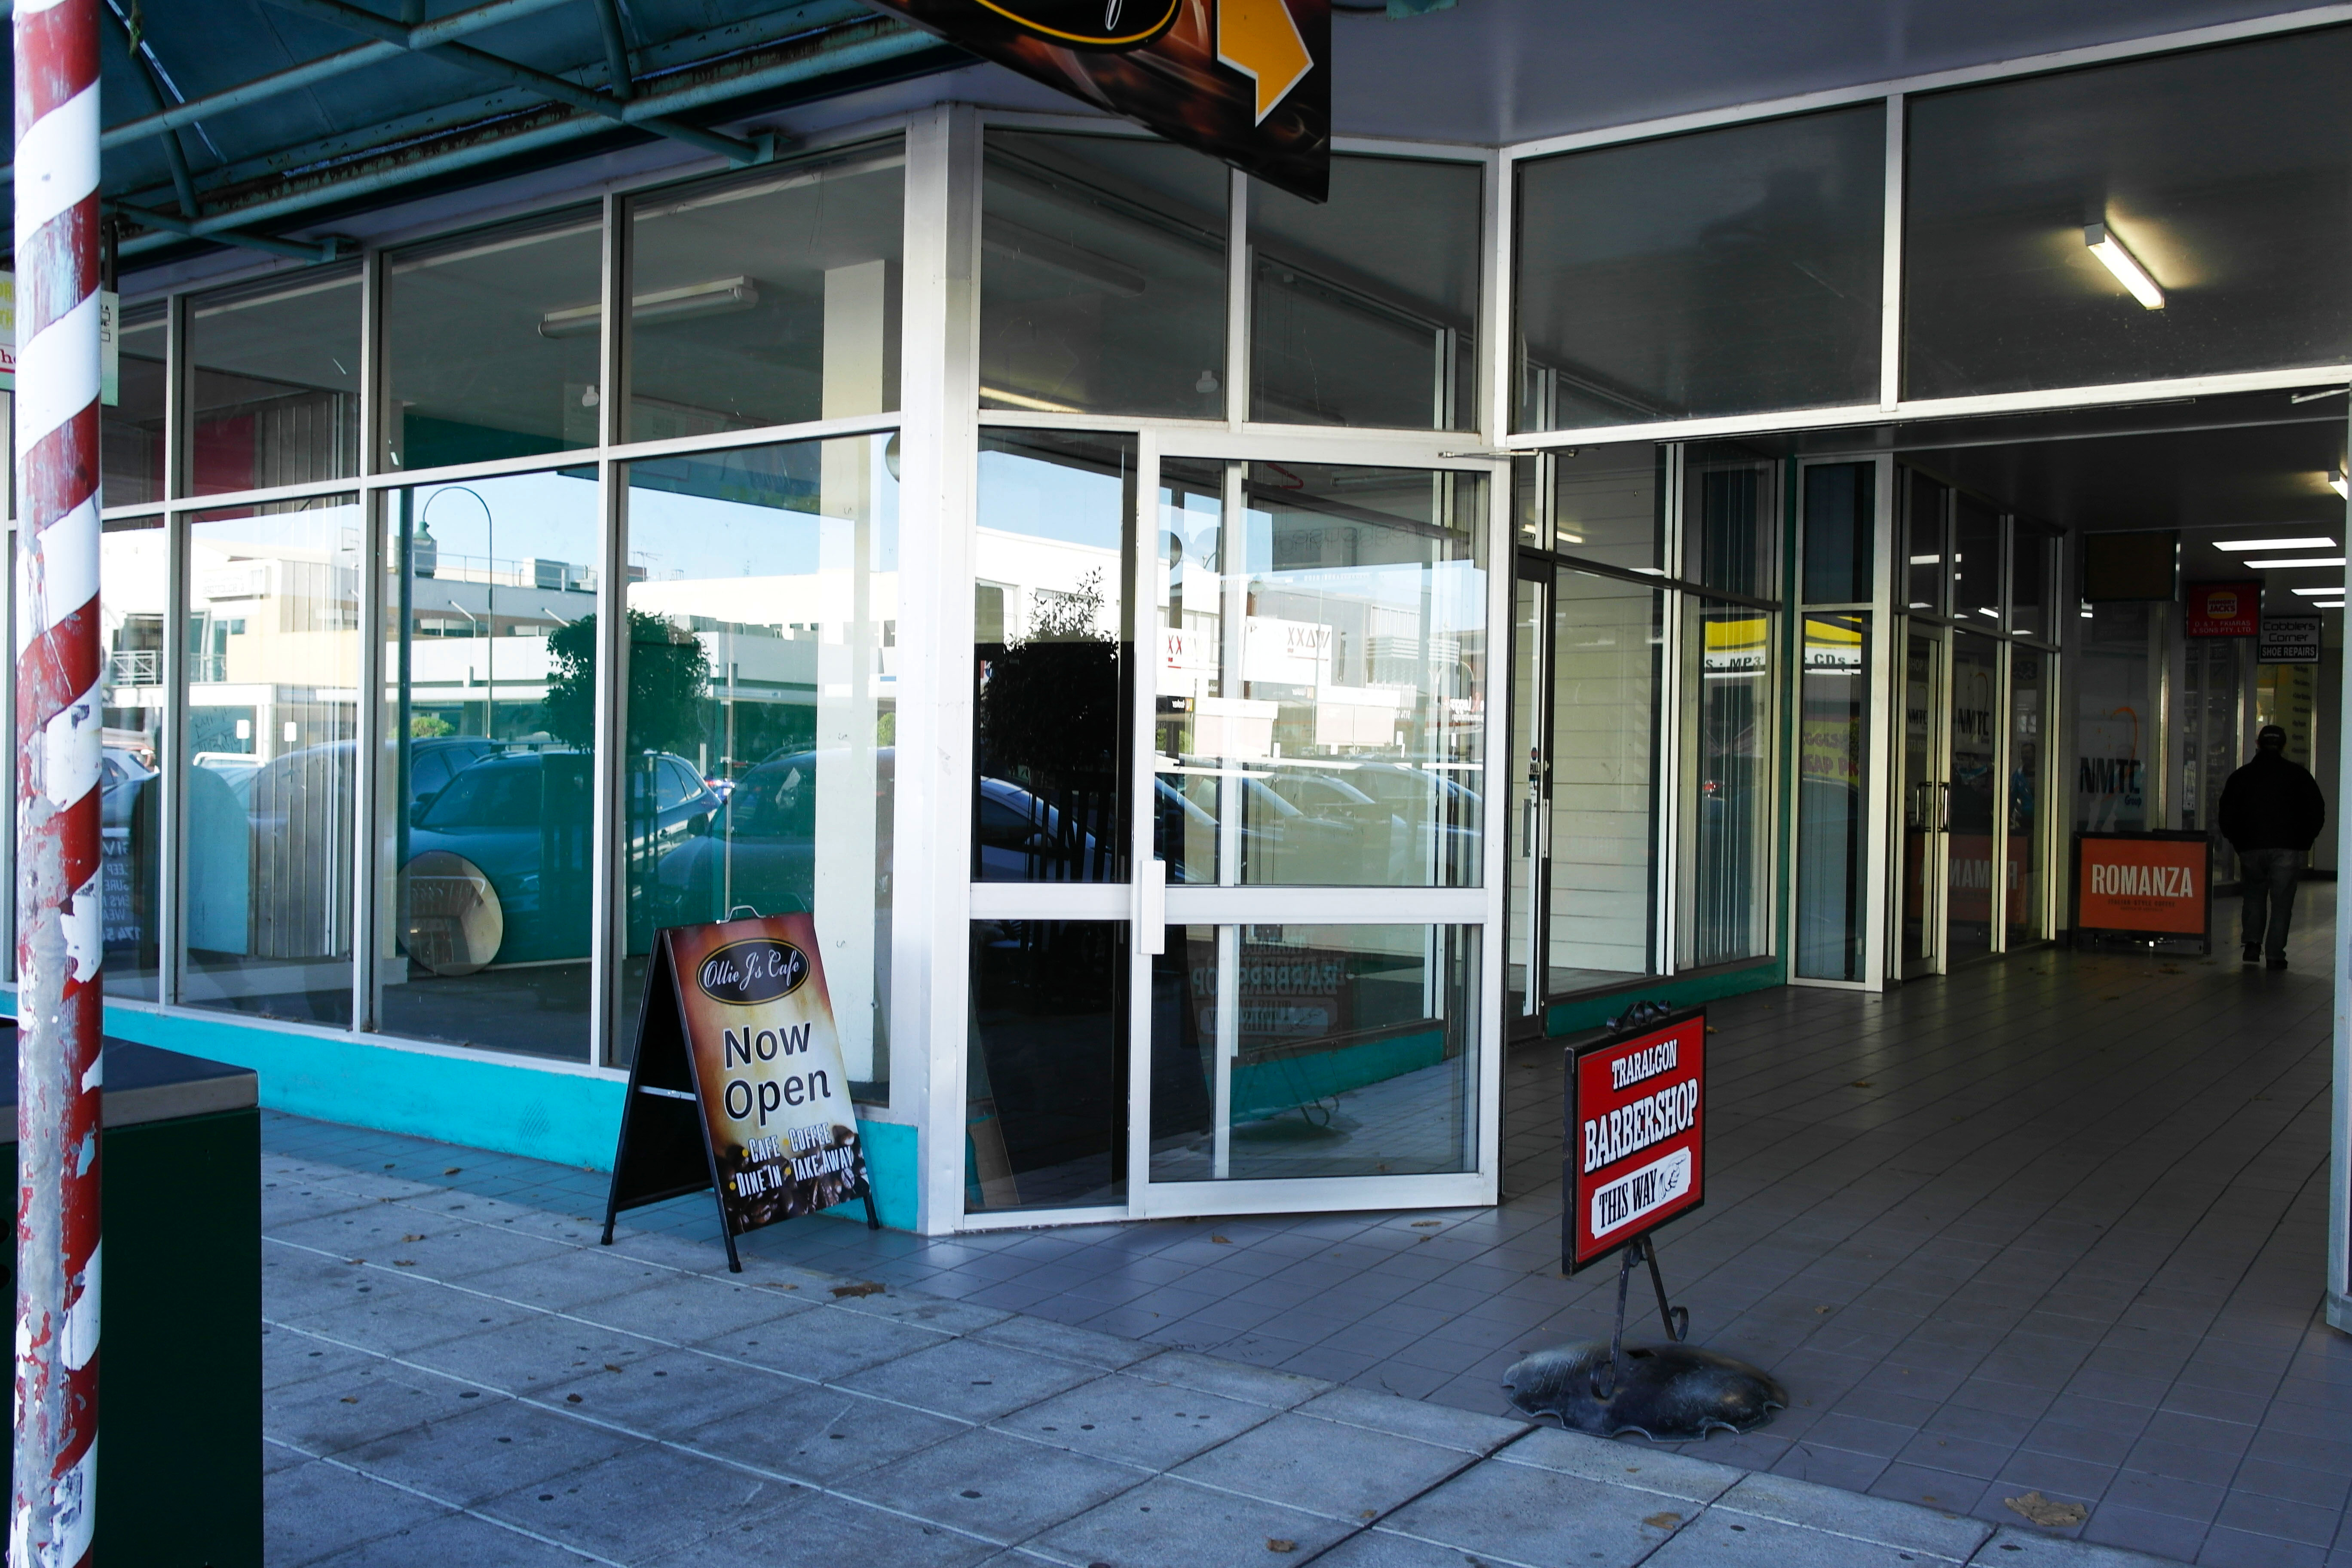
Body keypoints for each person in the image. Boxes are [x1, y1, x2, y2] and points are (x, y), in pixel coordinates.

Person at [2217, 724, 2326, 970]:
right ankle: (2276, 954)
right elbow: (2316, 811)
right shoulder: (2298, 776)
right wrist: (2304, 842)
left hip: (2251, 847)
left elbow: (2226, 813)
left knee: (2254, 895)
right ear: (2284, 746)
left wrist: (2238, 841)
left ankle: (2252, 944)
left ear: (2258, 744)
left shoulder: (2242, 776)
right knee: (2282, 902)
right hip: (2288, 848)